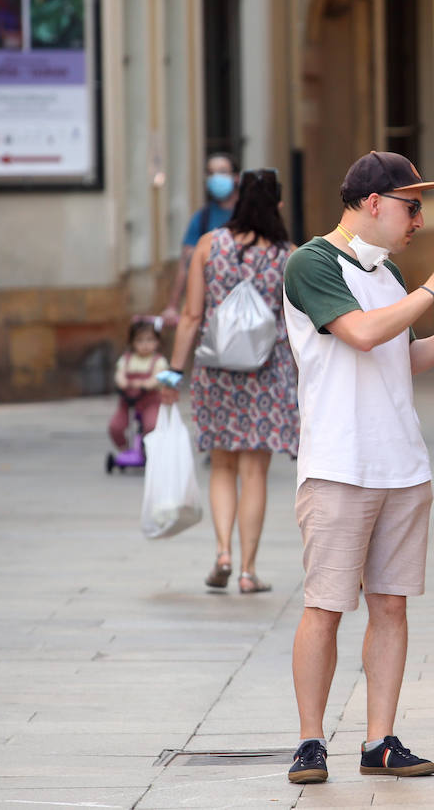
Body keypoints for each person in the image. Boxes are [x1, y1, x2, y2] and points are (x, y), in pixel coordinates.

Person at [282, 150, 434, 785]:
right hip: (339, 463)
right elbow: (360, 334)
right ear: (372, 204)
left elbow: (401, 355)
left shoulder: (390, 272)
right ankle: (310, 740)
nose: (418, 219)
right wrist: (430, 290)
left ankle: (380, 739)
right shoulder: (313, 262)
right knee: (324, 604)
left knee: (392, 607)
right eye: (410, 205)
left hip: (401, 462)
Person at [161, 168, 299, 595]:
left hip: (216, 369)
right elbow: (297, 323)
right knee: (253, 472)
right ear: (277, 204)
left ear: (237, 201)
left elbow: (191, 316)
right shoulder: (287, 254)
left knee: (221, 465)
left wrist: (174, 371)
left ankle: (222, 551)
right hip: (268, 372)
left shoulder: (210, 245)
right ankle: (247, 570)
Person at [163, 152, 240, 324]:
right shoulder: (202, 218)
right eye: (210, 173)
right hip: (211, 310)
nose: (215, 178)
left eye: (221, 171)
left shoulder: (249, 216)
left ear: (236, 177)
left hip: (245, 308)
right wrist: (173, 305)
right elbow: (186, 264)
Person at [109, 318, 167, 449]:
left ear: (157, 341)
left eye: (150, 340)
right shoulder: (126, 359)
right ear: (132, 342)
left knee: (151, 426)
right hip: (128, 402)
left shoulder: (158, 361)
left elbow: (157, 378)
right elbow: (120, 375)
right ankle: (124, 448)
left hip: (150, 400)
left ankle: (149, 449)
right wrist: (122, 381)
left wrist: (146, 383)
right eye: (140, 340)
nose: (145, 345)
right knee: (115, 427)